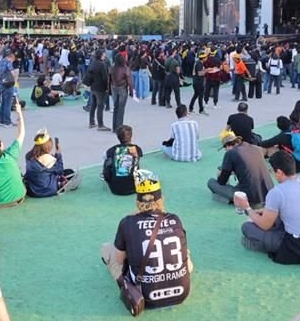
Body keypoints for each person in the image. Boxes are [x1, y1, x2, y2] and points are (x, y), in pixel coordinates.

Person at [100, 170, 192, 311]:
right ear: (161, 199)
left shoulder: (127, 222)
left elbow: (119, 260)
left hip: (144, 297)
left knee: (106, 248)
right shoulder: (175, 219)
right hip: (181, 293)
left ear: (138, 201)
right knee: (186, 253)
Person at [238, 150, 300, 265]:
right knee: (274, 221)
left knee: (247, 227)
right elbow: (298, 208)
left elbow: (265, 225)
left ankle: (259, 244)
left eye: (272, 171)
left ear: (279, 172)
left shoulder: (277, 192)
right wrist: (265, 211)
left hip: (299, 244)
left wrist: (247, 208)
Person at [207, 131, 273, 208]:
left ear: (227, 146)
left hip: (249, 197)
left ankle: (231, 199)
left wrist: (221, 173)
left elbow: (222, 181)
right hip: (270, 193)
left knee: (211, 182)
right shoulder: (257, 149)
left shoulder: (230, 153)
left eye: (225, 148)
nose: (225, 150)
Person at [23, 129, 81, 197]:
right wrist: (58, 154)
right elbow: (60, 170)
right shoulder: (48, 158)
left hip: (32, 191)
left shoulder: (28, 156)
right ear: (47, 146)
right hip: (46, 190)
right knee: (70, 172)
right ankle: (63, 185)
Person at [101, 125, 143, 196]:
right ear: (131, 136)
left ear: (118, 137)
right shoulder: (137, 149)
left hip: (115, 188)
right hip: (134, 187)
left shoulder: (111, 150)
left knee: (107, 160)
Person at [86, 49, 110, 131]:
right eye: (103, 55)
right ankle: (100, 124)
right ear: (100, 56)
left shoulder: (93, 63)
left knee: (93, 105)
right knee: (100, 106)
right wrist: (106, 88)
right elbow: (105, 77)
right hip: (100, 88)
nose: (104, 56)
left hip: (93, 87)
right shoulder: (102, 64)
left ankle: (91, 122)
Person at [110, 53, 133, 133]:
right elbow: (129, 81)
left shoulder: (112, 67)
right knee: (121, 108)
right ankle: (119, 128)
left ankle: (114, 127)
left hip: (113, 87)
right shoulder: (125, 68)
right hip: (122, 88)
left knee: (115, 107)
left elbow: (109, 78)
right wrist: (131, 92)